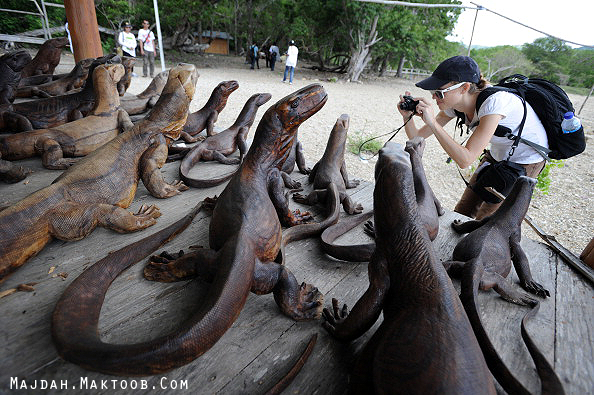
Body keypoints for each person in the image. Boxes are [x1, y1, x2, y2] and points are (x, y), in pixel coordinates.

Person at [400, 55, 548, 220]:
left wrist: (433, 123)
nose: (434, 97)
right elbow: (416, 137)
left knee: (487, 220)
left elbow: (465, 160)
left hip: (525, 159)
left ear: (464, 88)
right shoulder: (455, 105)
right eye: (432, 92)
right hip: (498, 152)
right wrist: (407, 117)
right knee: (462, 210)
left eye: (439, 93)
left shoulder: (494, 103)